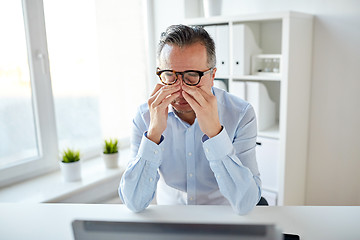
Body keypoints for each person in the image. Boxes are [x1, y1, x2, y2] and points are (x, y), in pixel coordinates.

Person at [119, 24, 261, 215]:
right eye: (170, 75)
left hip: (223, 221)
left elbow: (246, 203)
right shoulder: (145, 116)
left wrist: (215, 134)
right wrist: (153, 135)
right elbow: (134, 203)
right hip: (170, 222)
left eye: (192, 76)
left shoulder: (241, 114)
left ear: (212, 76)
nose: (180, 89)